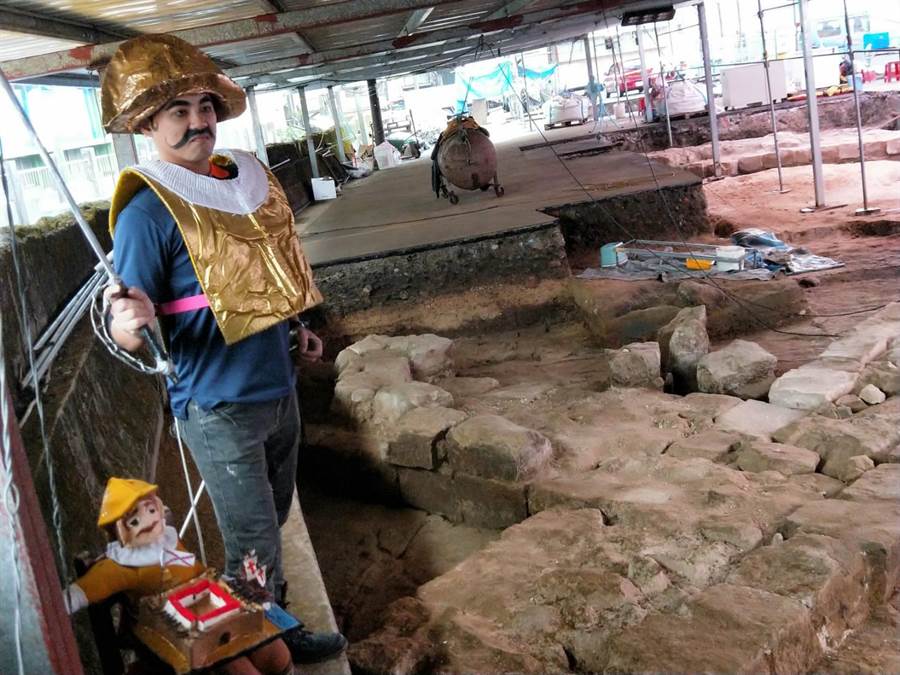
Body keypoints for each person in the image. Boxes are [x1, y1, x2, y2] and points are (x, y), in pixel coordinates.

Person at [99, 33, 346, 664]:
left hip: (277, 385)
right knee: (254, 540)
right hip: (217, 405)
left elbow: (265, 280)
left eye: (204, 106)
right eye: (177, 112)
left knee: (278, 515)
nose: (197, 121)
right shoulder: (146, 212)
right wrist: (132, 320)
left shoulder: (242, 183)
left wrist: (297, 329)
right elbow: (130, 329)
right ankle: (265, 643)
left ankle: (273, 621)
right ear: (148, 126)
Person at [64, 478, 293, 675]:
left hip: (208, 602)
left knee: (273, 650)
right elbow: (79, 594)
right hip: (168, 627)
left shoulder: (168, 539)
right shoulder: (120, 566)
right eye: (135, 521)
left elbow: (192, 569)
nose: (150, 521)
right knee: (235, 665)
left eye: (151, 510)